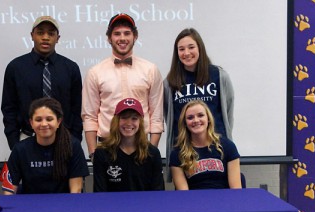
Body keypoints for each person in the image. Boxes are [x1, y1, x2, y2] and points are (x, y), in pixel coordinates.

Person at [82, 13, 164, 160]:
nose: (122, 38)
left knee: (142, 185)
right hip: (106, 146)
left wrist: (152, 150)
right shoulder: (95, 72)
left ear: (135, 36)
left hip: (141, 146)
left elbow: (156, 115)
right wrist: (93, 152)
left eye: (127, 33)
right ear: (109, 38)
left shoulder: (151, 70)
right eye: (117, 34)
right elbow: (90, 116)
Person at [1, 16, 83, 150]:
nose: (45, 37)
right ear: (32, 36)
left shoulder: (70, 68)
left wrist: (75, 140)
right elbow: (9, 108)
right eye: (40, 33)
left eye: (51, 33)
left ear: (58, 38)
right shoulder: (15, 67)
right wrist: (15, 143)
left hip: (64, 140)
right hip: (27, 139)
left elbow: (77, 108)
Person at [164, 28, 234, 181]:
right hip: (185, 154)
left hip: (217, 151)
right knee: (187, 202)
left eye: (191, 47)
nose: (186, 53)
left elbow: (227, 111)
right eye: (181, 49)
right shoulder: (170, 82)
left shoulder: (219, 76)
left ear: (200, 48)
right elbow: (169, 115)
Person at [5, 97, 89, 194]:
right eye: (38, 120)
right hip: (30, 206)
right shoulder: (20, 149)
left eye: (49, 119)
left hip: (65, 206)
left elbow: (76, 190)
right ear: (31, 123)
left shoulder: (73, 146)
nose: (44, 124)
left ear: (58, 122)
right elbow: (9, 191)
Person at [93, 98, 164, 192]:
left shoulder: (152, 153)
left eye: (134, 118)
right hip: (112, 206)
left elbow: (158, 192)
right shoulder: (102, 153)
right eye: (124, 117)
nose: (129, 123)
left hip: (145, 206)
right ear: (116, 121)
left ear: (140, 122)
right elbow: (99, 194)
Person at [170, 100, 241, 190]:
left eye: (200, 115)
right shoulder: (177, 154)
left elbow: (236, 191)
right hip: (194, 202)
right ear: (185, 123)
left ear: (208, 119)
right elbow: (184, 196)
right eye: (190, 117)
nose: (196, 120)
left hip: (224, 201)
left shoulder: (228, 147)